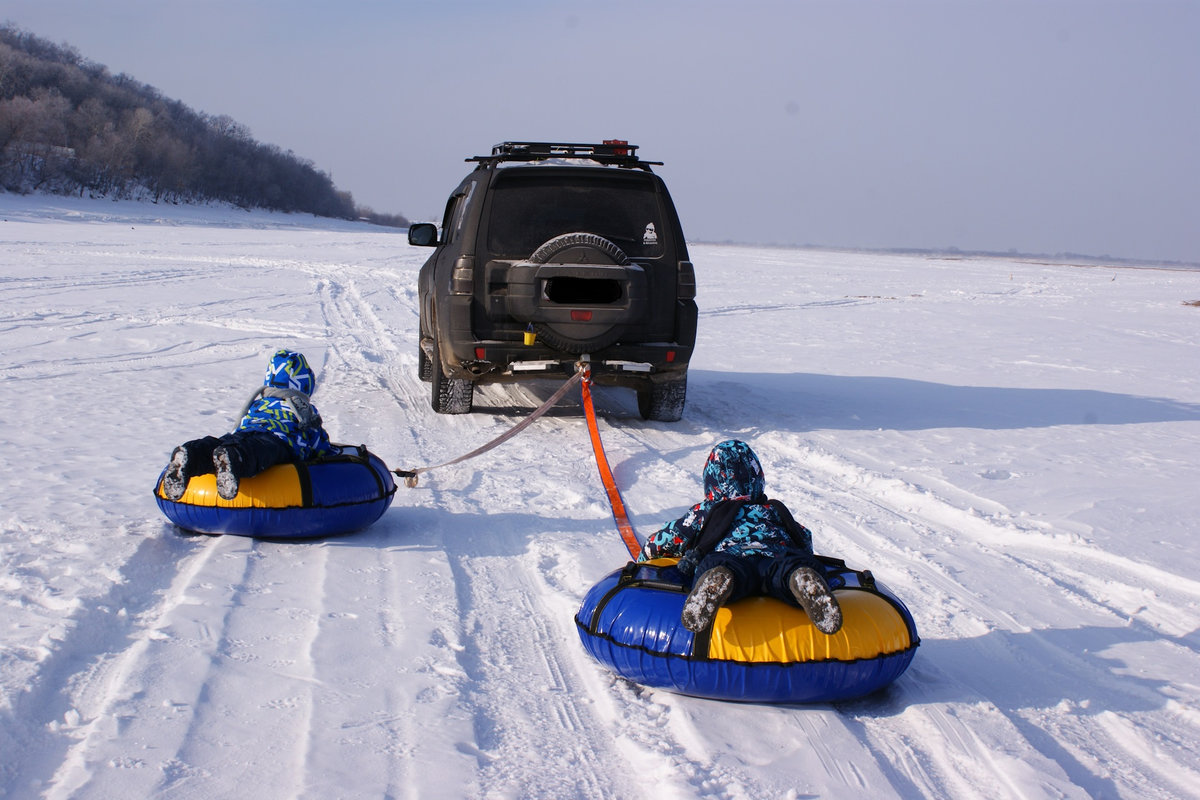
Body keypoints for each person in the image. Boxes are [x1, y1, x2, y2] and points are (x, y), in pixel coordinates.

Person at [636, 439, 843, 635]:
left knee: (722, 565)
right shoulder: (773, 509)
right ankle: (798, 577)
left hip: (731, 554)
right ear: (758, 478)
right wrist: (802, 559)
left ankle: (719, 578)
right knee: (786, 569)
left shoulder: (708, 510)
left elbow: (669, 537)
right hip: (776, 555)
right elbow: (803, 537)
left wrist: (644, 559)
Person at [161, 349, 335, 501]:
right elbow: (317, 440)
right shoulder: (304, 408)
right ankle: (234, 457)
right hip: (278, 438)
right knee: (257, 451)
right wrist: (325, 451)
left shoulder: (259, 403)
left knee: (222, 443)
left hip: (246, 430)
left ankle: (192, 453)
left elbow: (240, 426)